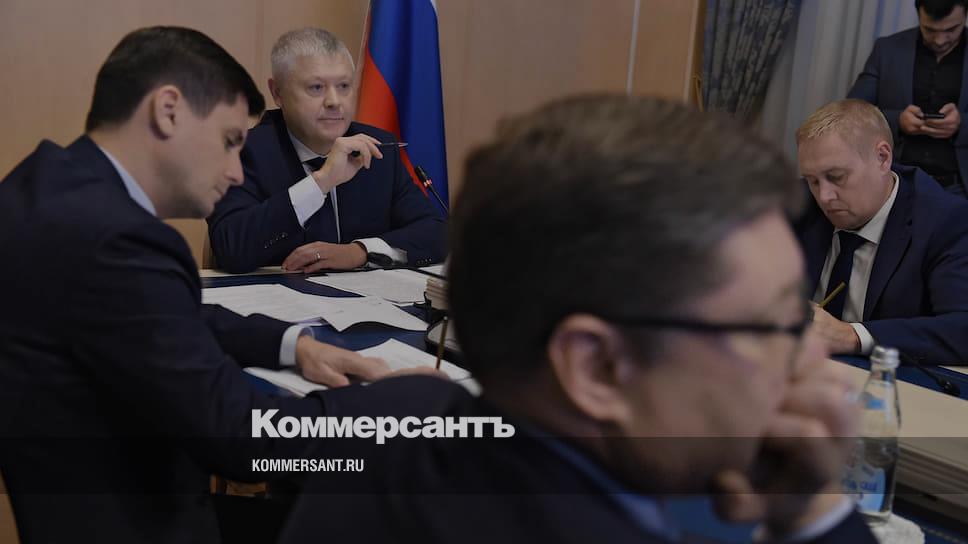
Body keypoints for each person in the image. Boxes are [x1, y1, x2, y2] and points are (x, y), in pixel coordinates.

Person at [278, 95, 875, 543]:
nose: (812, 362)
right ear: (595, 366)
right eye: (768, 329)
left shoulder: (398, 414)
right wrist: (817, 511)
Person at [0, 26, 426, 543]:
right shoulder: (116, 240)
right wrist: (388, 418)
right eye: (229, 143)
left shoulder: (45, 184)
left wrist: (292, 345)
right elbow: (243, 443)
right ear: (168, 111)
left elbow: (163, 315)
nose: (234, 172)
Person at [207, 27, 446, 273]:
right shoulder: (242, 152)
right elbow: (230, 248)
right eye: (316, 88)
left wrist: (360, 252)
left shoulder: (377, 149)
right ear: (277, 92)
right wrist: (320, 183)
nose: (334, 101)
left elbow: (437, 232)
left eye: (344, 86)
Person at [796, 99, 968, 365]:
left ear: (883, 158)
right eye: (813, 181)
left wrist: (851, 336)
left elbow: (962, 328)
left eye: (837, 177)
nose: (824, 196)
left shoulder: (945, 220)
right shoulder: (796, 203)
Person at [848, 0, 968, 196]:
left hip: (960, 186)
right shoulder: (887, 49)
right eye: (930, 30)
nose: (939, 40)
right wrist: (898, 121)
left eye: (951, 30)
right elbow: (850, 112)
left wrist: (961, 124)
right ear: (918, 15)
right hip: (893, 181)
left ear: (965, 16)